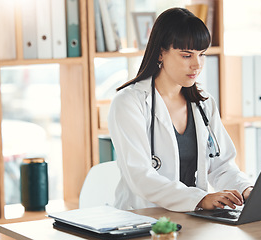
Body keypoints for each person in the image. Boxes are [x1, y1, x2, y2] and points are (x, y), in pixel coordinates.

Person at [108, 7, 253, 212]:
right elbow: (140, 177)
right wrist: (201, 199)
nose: (197, 65)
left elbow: (221, 166)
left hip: (193, 217)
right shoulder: (129, 103)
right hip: (145, 218)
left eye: (202, 55)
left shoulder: (204, 103)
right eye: (186, 55)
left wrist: (246, 189)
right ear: (160, 53)